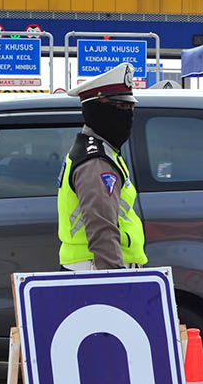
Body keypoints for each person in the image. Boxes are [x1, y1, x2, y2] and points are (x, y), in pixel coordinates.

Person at [58, 62, 147, 271]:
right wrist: (116, 283)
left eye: (131, 108)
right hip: (97, 268)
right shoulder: (96, 161)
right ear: (96, 110)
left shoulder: (101, 152)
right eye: (121, 107)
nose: (128, 115)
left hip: (93, 266)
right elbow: (102, 231)